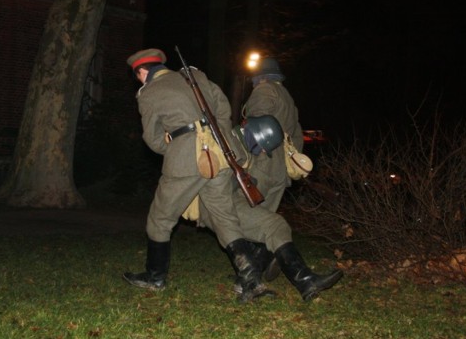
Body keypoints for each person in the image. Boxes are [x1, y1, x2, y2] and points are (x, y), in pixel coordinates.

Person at [121, 48, 271, 302]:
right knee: (224, 217)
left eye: (138, 76)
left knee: (160, 218)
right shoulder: (194, 75)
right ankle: (251, 279)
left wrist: (174, 147)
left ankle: (155, 277)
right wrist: (216, 136)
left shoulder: (149, 92)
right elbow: (223, 106)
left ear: (143, 71)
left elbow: (153, 138)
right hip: (221, 154)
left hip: (186, 158)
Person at [198, 115, 344, 302]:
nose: (261, 152)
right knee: (271, 224)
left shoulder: (247, 147)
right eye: (260, 147)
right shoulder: (227, 141)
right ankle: (252, 281)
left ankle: (306, 281)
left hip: (235, 201)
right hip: (217, 203)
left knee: (277, 224)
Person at [243, 57, 304, 213]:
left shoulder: (265, 89)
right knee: (265, 217)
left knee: (245, 213)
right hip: (281, 170)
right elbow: (297, 136)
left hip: (263, 163)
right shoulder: (288, 98)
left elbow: (256, 124)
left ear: (262, 76)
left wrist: (251, 154)